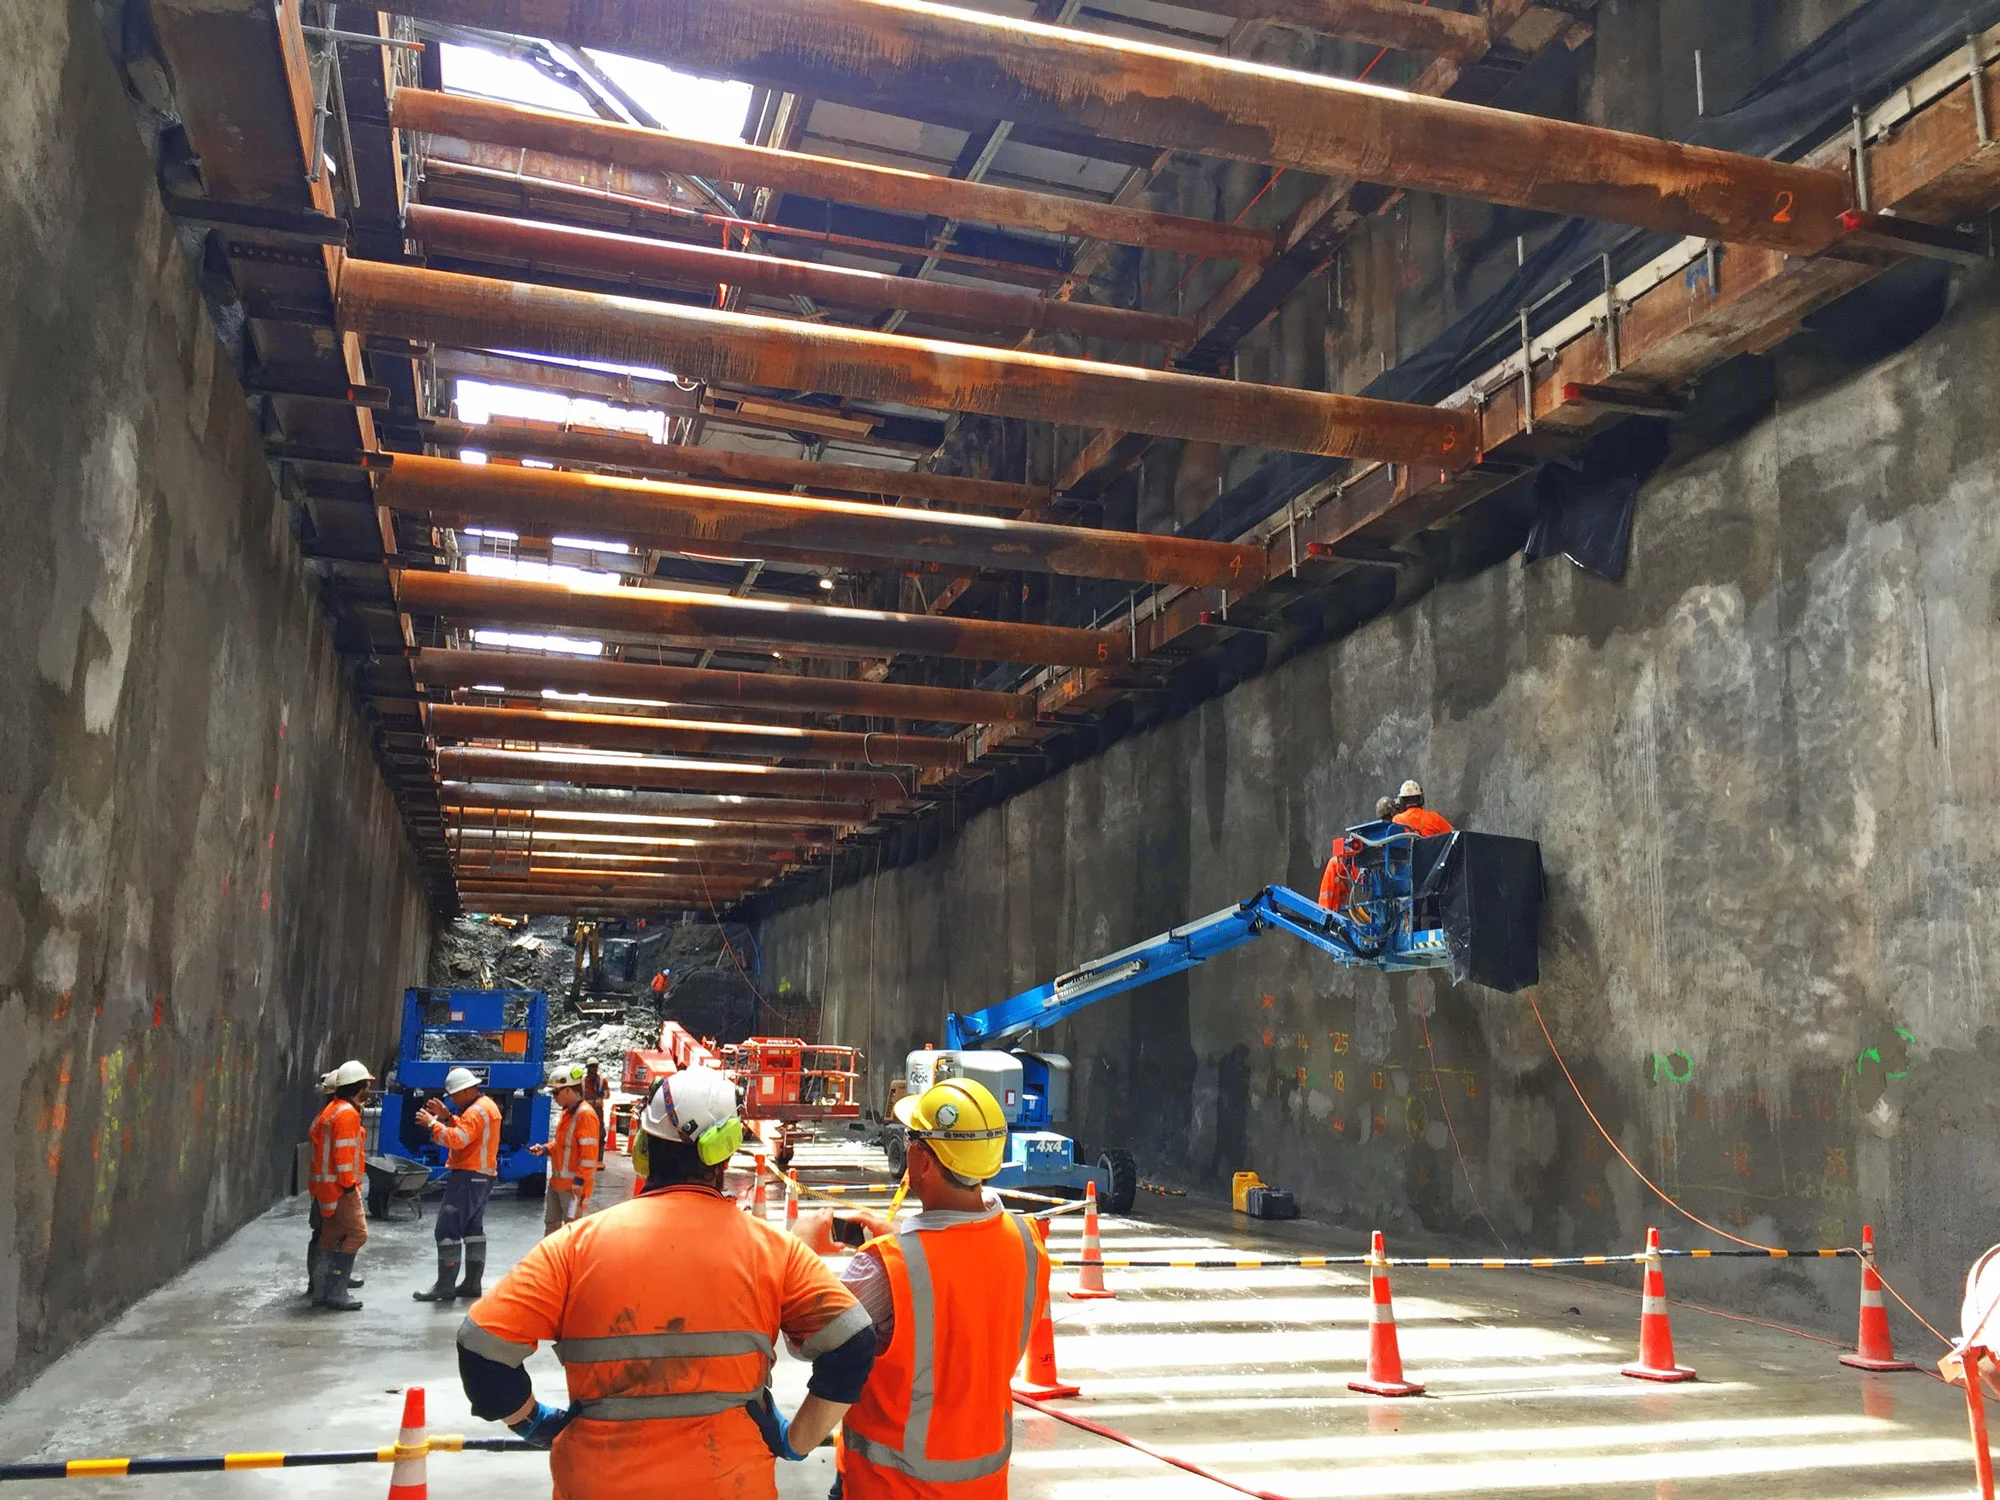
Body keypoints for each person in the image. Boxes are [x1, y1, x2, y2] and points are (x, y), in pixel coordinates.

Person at [454, 1066, 876, 1500]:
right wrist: (796, 1440)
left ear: (640, 1147)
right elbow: (855, 1341)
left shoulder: (573, 1247)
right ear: (725, 1151)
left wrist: (532, 1421)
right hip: (730, 1485)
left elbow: (481, 1345)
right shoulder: (771, 1250)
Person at [797, 1076, 1050, 1499]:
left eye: (911, 1138)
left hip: (891, 1489)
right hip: (984, 1487)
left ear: (924, 1163)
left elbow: (808, 1337)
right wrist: (902, 1233)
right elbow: (962, 1271)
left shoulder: (885, 1268)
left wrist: (800, 1249)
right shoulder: (1025, 1243)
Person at [414, 1066, 504, 1303]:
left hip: (468, 1175)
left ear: (465, 1091)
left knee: (447, 1229)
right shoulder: (484, 1107)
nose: (452, 1099)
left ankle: (445, 1286)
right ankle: (472, 1284)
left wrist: (433, 1123)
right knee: (473, 1229)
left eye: (453, 1095)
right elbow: (470, 1131)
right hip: (482, 1175)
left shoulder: (476, 1111)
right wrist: (447, 1116)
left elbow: (459, 1139)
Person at [307, 1060, 373, 1312]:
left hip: (325, 1187)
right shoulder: (346, 1114)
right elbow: (343, 1155)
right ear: (358, 1086)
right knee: (358, 1234)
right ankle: (337, 1291)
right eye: (366, 1085)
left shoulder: (332, 1110)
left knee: (329, 1236)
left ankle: (322, 1290)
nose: (369, 1089)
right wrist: (348, 1187)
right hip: (341, 1187)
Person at [531, 1063, 602, 1236]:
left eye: (556, 1092)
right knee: (552, 1227)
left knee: (573, 1232)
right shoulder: (567, 1113)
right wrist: (546, 1149)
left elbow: (589, 1154)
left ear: (569, 1090)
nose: (554, 1097)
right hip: (557, 1184)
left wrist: (579, 1181)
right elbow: (563, 1145)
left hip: (572, 1187)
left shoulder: (585, 1115)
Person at [1318, 832, 1359, 912]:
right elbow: (1327, 890)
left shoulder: (1343, 867)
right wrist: (1325, 912)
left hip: (1335, 908)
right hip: (1329, 908)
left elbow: (1356, 878)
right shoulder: (1334, 864)